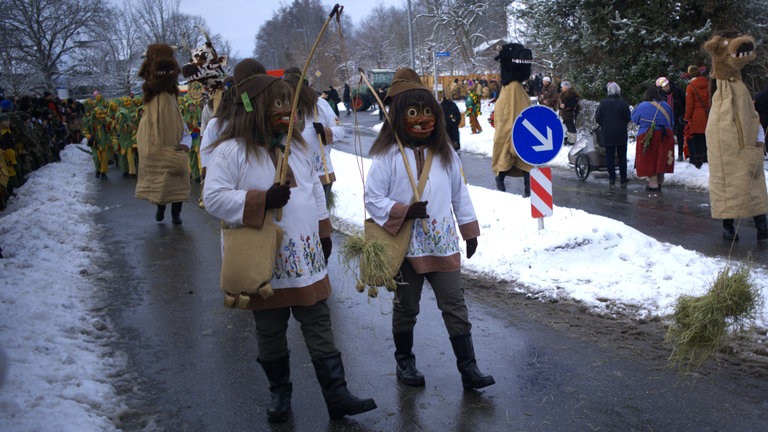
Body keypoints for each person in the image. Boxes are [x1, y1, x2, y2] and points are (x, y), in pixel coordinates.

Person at [203, 59, 376, 423]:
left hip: (306, 258)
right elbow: (215, 198)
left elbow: (314, 189)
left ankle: (337, 394)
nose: (286, 112)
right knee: (270, 330)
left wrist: (325, 230)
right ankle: (279, 395)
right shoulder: (230, 151)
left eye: (288, 104)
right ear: (254, 110)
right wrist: (262, 200)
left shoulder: (297, 148)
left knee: (319, 322)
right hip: (263, 261)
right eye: (276, 105)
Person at [365, 67, 494, 391]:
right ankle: (404, 362)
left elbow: (459, 193)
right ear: (398, 115)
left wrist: (469, 230)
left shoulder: (445, 151)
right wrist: (403, 211)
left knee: (455, 306)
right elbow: (372, 197)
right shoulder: (388, 155)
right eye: (412, 112)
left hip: (443, 244)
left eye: (426, 111)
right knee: (406, 309)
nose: (421, 119)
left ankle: (469, 369)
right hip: (405, 247)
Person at [703, 30, 768, 241]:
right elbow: (719, 127)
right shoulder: (722, 93)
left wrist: (758, 138)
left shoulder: (738, 88)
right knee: (731, 185)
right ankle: (730, 227)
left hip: (745, 147)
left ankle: (760, 226)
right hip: (730, 151)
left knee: (751, 182)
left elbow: (751, 116)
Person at [134, 44, 191, 225]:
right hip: (158, 147)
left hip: (175, 147)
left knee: (178, 181)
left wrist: (185, 143)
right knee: (162, 182)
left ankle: (176, 213)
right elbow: (145, 131)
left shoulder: (172, 99)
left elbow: (181, 125)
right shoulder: (153, 103)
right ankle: (161, 207)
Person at [283, 66, 344, 202]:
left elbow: (340, 130)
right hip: (293, 175)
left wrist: (324, 132)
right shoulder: (283, 107)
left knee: (320, 215)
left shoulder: (320, 105)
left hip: (320, 173)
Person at [492, 43, 534, 197]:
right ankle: (526, 189)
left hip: (510, 131)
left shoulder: (509, 89)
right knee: (525, 159)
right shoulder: (515, 89)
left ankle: (502, 179)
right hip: (518, 131)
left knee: (507, 156)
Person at [631, 84, 675, 192]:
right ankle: (660, 180)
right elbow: (671, 121)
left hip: (648, 134)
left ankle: (653, 183)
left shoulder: (642, 106)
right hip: (665, 135)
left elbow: (634, 119)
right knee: (662, 157)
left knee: (649, 158)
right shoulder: (665, 105)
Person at [595, 82, 631, 186]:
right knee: (622, 156)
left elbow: (598, 117)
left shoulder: (603, 103)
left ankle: (612, 177)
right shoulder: (623, 103)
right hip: (621, 133)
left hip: (608, 133)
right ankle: (623, 178)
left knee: (609, 156)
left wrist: (604, 124)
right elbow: (628, 117)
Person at [683, 65, 711, 168]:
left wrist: (686, 118)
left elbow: (689, 105)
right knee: (706, 138)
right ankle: (707, 159)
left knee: (697, 139)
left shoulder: (691, 87)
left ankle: (698, 161)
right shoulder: (707, 84)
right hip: (708, 115)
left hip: (696, 117)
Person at [656, 76, 687, 161]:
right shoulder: (659, 94)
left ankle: (680, 154)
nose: (666, 87)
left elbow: (685, 103)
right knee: (666, 138)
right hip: (666, 118)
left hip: (677, 116)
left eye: (667, 85)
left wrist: (683, 115)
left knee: (680, 136)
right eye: (664, 86)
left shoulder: (678, 91)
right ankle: (668, 155)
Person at [558, 81, 580, 145]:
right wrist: (561, 106)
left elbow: (573, 103)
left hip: (570, 113)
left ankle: (572, 140)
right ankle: (569, 138)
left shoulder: (571, 94)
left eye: (563, 87)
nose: (561, 88)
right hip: (565, 113)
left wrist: (565, 106)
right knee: (568, 125)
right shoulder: (563, 94)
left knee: (571, 126)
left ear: (566, 87)